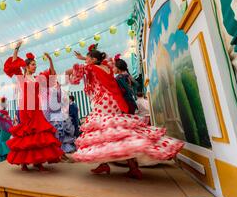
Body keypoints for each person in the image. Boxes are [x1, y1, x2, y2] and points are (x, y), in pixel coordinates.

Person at [66, 44, 184, 179]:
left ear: (93, 60)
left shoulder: (91, 67)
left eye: (87, 59)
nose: (85, 61)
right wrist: (84, 58)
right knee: (118, 132)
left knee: (104, 132)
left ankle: (105, 164)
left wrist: (69, 70)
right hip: (114, 102)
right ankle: (131, 166)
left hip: (103, 102)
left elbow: (73, 74)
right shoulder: (108, 67)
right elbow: (103, 61)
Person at [3, 41, 64, 171]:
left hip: (36, 107)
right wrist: (16, 48)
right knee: (27, 134)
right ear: (26, 66)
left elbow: (52, 74)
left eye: (35, 65)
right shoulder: (21, 76)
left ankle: (38, 161)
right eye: (33, 65)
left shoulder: (38, 78)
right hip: (25, 107)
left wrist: (50, 60)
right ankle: (24, 162)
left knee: (38, 133)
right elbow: (13, 62)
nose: (35, 66)